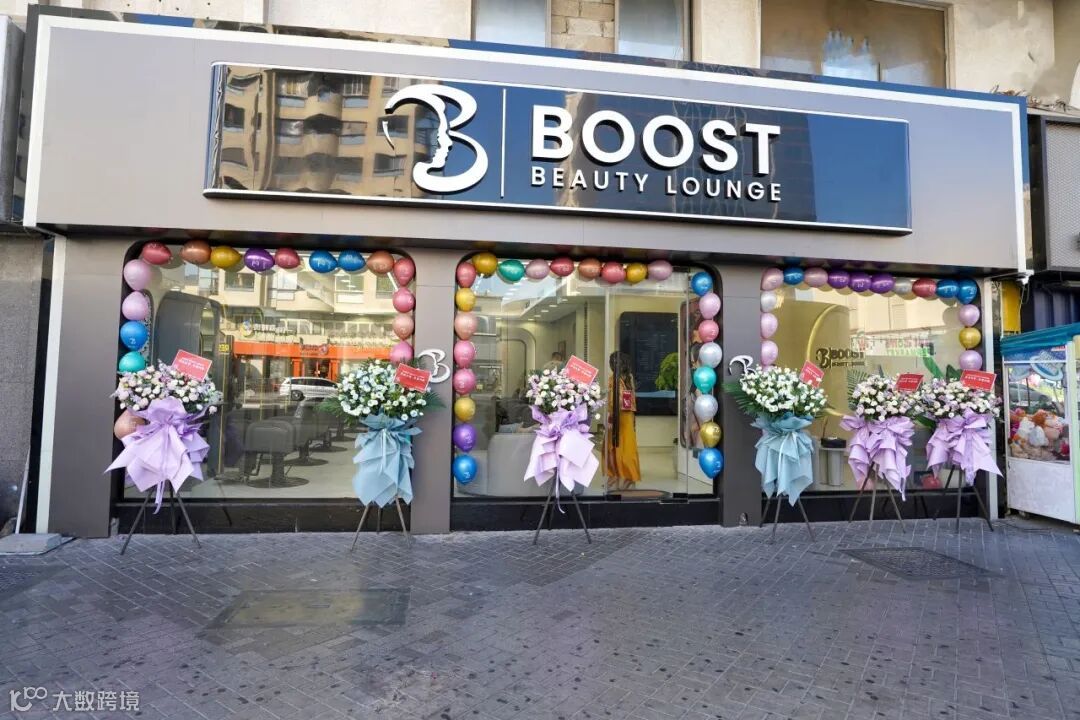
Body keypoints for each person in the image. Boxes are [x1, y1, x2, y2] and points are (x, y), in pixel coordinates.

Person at [603, 351, 641, 490]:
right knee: (625, 447)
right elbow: (631, 400)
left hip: (617, 417)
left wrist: (610, 417)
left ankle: (616, 476)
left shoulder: (614, 379)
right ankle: (626, 478)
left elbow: (614, 401)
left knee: (613, 448)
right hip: (627, 416)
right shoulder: (628, 378)